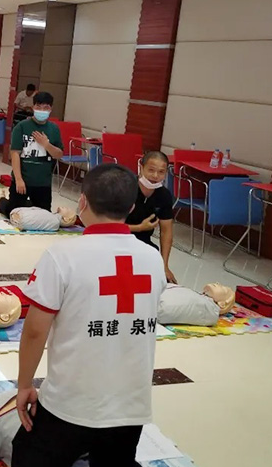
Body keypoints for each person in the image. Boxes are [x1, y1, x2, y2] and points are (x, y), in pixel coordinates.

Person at [13, 164, 167, 467]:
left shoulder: (61, 256)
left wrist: (24, 385)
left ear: (82, 202)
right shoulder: (152, 258)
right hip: (130, 406)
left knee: (28, 454)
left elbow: (34, 331)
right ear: (132, 207)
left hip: (69, 404)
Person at [0, 91, 63, 217]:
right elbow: (15, 154)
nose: (42, 110)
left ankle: (29, 205)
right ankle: (2, 202)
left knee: (43, 216)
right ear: (33, 107)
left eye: (45, 108)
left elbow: (59, 154)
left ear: (51, 109)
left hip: (43, 182)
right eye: (38, 107)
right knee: (13, 214)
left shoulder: (54, 129)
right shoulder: (21, 127)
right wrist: (18, 180)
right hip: (23, 179)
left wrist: (46, 144)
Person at [126, 151, 177, 283]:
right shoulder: (125, 187)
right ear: (141, 167)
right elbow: (108, 225)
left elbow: (166, 231)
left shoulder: (164, 195)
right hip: (118, 239)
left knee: (161, 278)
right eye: (151, 170)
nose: (155, 176)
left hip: (143, 243)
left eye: (161, 172)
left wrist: (164, 265)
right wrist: (138, 228)